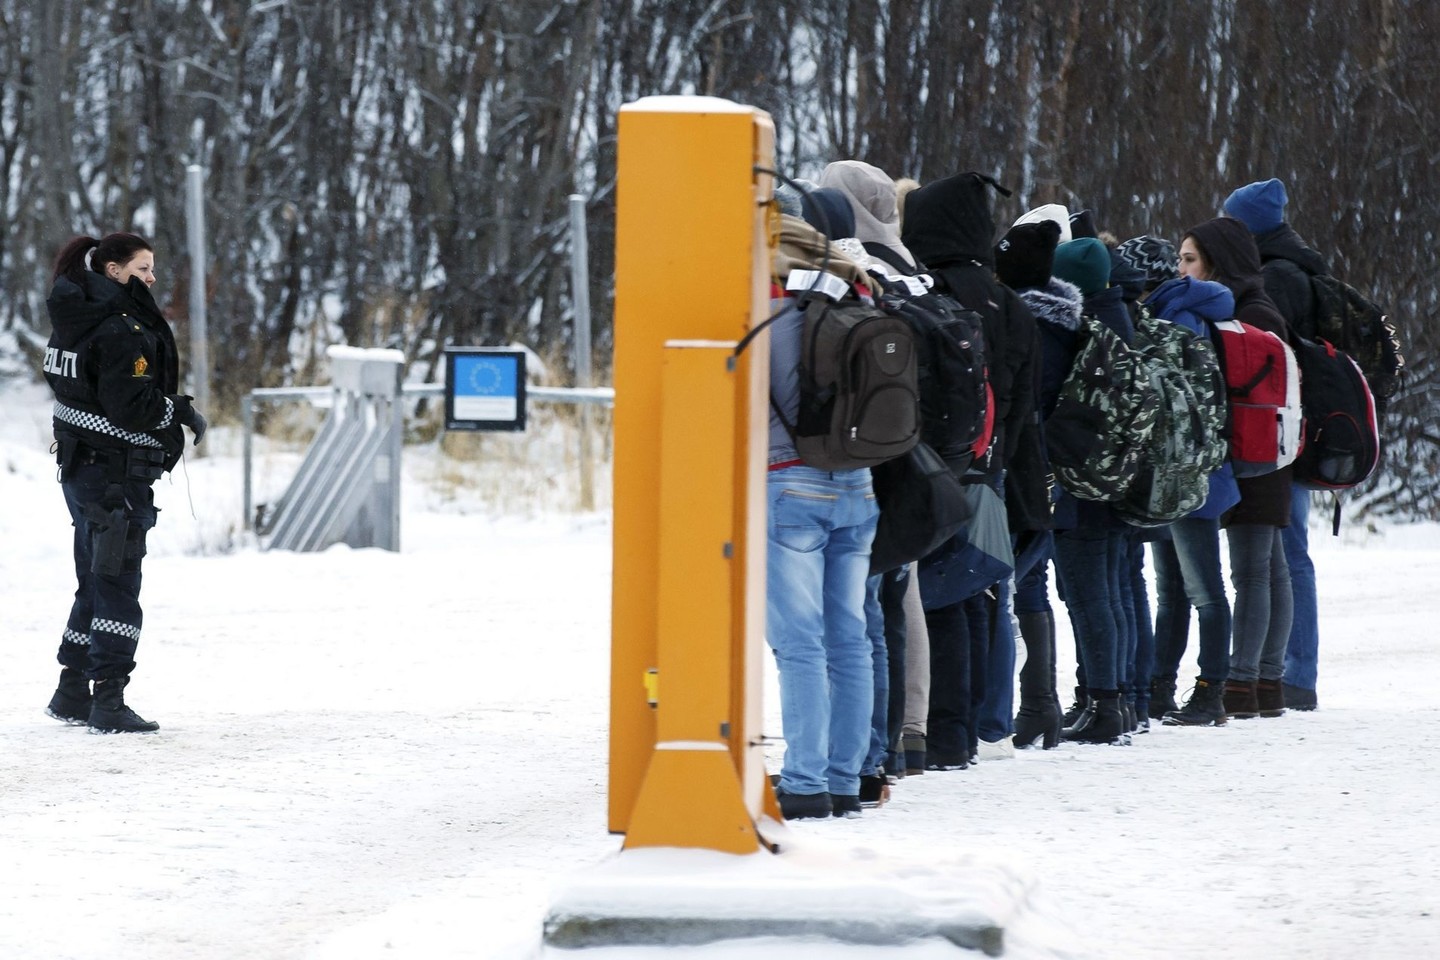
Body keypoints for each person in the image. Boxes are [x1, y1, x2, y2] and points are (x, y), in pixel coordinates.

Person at [901, 172, 1041, 764]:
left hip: (940, 465)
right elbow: (1027, 400)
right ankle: (982, 726)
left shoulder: (931, 291)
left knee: (934, 597)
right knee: (982, 592)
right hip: (996, 468)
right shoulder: (1009, 301)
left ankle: (941, 729)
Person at [42, 232, 207, 734]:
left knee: (95, 577)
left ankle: (72, 689)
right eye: (142, 269)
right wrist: (176, 410)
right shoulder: (120, 329)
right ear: (113, 271)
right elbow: (130, 406)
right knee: (117, 582)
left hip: (80, 469)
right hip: (113, 476)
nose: (152, 278)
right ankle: (108, 700)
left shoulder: (76, 316)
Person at [764, 198, 879, 819]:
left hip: (790, 489)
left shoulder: (770, 318)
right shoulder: (857, 304)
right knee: (850, 637)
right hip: (858, 488)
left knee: (800, 642)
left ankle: (805, 781)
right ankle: (847, 776)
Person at [1179, 218, 1294, 719]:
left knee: (1254, 571)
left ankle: (1243, 684)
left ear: (1217, 261)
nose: (1180, 269)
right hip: (1266, 450)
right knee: (1269, 569)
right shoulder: (1254, 305)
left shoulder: (1246, 312)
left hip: (1254, 452)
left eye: (1189, 259)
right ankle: (1267, 681)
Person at [1222, 178, 1326, 711]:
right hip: (1298, 426)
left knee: (1285, 555)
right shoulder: (1298, 266)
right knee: (1285, 555)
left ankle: (1292, 673)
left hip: (1284, 432)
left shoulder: (1276, 277)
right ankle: (1287, 671)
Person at [1140, 271, 1242, 726]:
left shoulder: (1177, 319)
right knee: (1173, 592)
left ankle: (1209, 692)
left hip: (1188, 478)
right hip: (1184, 476)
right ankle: (1161, 687)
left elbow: (1185, 408)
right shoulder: (1178, 313)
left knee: (1203, 591)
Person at [1049, 236, 1136, 743]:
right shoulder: (1120, 316)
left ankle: (1102, 703)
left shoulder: (1086, 329)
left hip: (1084, 482)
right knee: (1110, 593)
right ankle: (1115, 699)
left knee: (1088, 599)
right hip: (1116, 478)